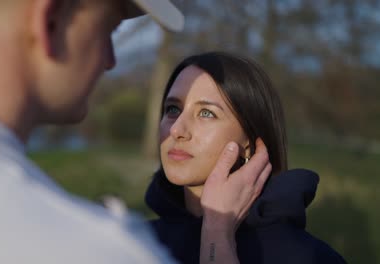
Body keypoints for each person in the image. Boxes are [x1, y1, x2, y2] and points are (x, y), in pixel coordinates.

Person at [0, 1, 272, 263]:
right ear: (50, 21)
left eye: (206, 112)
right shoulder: (98, 250)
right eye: (109, 30)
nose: (111, 59)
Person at [146, 51, 347, 264]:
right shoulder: (136, 241)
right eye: (173, 109)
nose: (176, 129)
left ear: (250, 144)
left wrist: (217, 232)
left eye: (206, 113)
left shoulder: (305, 257)